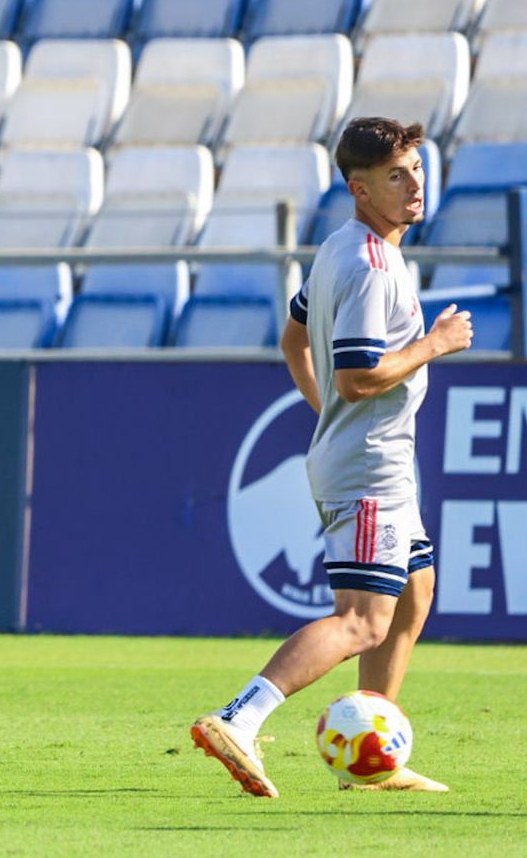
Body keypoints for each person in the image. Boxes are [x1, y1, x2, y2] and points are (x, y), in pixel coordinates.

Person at [191, 117, 473, 797]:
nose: (414, 186)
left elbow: (294, 340)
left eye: (417, 169)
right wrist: (434, 345)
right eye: (396, 176)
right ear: (360, 187)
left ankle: (373, 757)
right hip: (370, 465)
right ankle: (241, 717)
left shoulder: (342, 247)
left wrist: (330, 418)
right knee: (362, 617)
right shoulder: (372, 265)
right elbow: (360, 376)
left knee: (414, 594)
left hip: (373, 458)